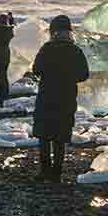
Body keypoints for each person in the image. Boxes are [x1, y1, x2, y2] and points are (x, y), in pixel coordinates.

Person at [30, 15, 90, 183]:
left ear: (53, 31)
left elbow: (36, 70)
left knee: (44, 135)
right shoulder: (75, 50)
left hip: (46, 97)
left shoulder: (46, 49)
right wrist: (69, 77)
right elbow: (84, 75)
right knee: (60, 136)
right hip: (66, 97)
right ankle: (56, 173)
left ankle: (44, 171)